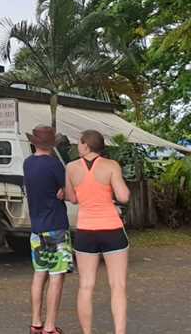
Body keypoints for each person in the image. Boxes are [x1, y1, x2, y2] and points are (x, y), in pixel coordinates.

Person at [65, 130, 130, 334]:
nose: (77, 146)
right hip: (112, 229)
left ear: (86, 145)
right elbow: (124, 196)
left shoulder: (71, 167)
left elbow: (72, 197)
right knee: (118, 286)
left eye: (79, 143)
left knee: (86, 285)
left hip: (86, 230)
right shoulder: (111, 166)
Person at [23, 125, 73, 334]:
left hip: (37, 228)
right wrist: (63, 190)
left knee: (39, 274)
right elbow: (70, 194)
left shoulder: (28, 163)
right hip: (55, 227)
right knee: (56, 276)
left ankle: (36, 322)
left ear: (33, 142)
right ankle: (50, 326)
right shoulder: (54, 165)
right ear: (52, 144)